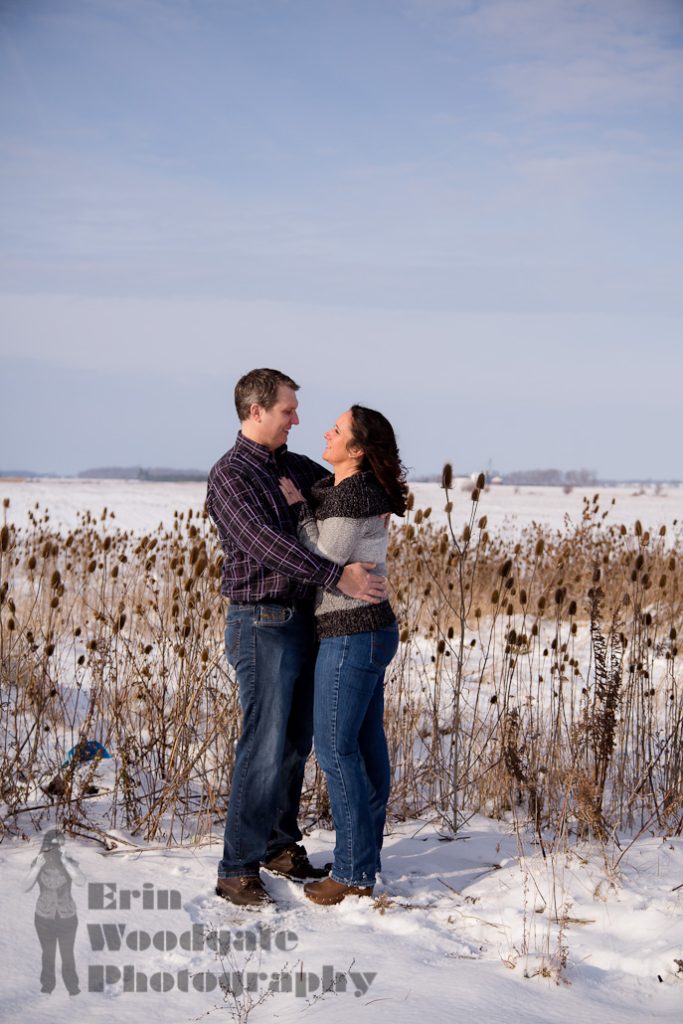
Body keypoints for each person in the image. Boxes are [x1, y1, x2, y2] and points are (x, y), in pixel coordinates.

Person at [206, 369, 387, 907]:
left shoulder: (293, 466)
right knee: (263, 744)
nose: (298, 420)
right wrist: (338, 576)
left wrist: (379, 496)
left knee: (294, 743)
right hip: (261, 623)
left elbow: (348, 483)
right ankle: (236, 867)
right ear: (256, 411)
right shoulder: (232, 476)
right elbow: (264, 544)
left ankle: (278, 846)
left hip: (305, 621)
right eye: (288, 411)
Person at [279, 404, 407, 905]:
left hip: (351, 632)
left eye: (336, 429)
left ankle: (353, 872)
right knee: (365, 750)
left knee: (336, 751)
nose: (324, 433)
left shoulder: (354, 494)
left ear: (356, 449)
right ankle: (363, 858)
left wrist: (295, 510)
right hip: (367, 630)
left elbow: (323, 556)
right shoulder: (353, 491)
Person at [25, 829, 84, 995]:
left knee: (68, 954)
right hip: (44, 918)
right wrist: (36, 867)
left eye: (59, 846)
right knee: (48, 954)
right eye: (52, 846)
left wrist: (66, 863)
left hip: (68, 918)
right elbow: (25, 887)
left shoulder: (68, 862)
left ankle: (73, 988)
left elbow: (80, 881)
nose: (55, 850)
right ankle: (47, 987)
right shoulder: (38, 862)